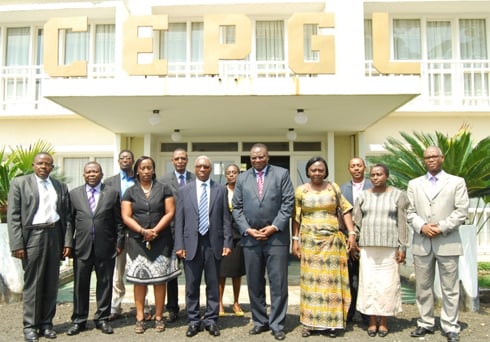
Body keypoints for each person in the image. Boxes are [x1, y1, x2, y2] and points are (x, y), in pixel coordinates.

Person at [7, 152, 72, 342]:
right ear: (34, 165)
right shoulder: (20, 183)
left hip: (54, 235)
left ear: (52, 167)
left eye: (48, 164)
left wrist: (67, 242)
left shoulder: (60, 186)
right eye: (40, 163)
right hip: (32, 236)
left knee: (51, 282)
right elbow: (14, 216)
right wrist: (18, 244)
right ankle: (30, 326)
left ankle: (46, 324)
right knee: (33, 283)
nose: (44, 167)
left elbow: (66, 217)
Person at [232, 143, 294, 341]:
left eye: (261, 157)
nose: (257, 160)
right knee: (254, 282)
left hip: (276, 237)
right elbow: (237, 208)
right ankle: (260, 321)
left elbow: (288, 203)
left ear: (268, 157)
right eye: (253, 157)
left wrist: (274, 227)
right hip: (251, 238)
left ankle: (277, 324)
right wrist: (247, 229)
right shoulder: (242, 178)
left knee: (278, 282)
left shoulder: (282, 174)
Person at [407, 146, 469, 342]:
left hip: (447, 241)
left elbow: (461, 211)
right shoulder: (414, 184)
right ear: (424, 160)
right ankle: (425, 323)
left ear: (442, 158)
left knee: (449, 287)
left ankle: (451, 326)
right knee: (422, 287)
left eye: (434, 156)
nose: (431, 159)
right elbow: (410, 212)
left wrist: (440, 227)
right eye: (427, 157)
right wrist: (422, 226)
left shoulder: (456, 182)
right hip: (422, 242)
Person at [291, 156, 356, 338]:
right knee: (311, 283)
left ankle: (332, 324)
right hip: (310, 243)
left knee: (331, 283)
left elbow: (345, 210)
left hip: (332, 243)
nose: (317, 173)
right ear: (308, 172)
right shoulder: (301, 191)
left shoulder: (333, 188)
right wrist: (295, 240)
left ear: (325, 171)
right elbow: (296, 217)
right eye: (313, 170)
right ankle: (309, 323)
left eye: (320, 170)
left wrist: (351, 233)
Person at [174, 156, 233, 337]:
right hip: (191, 244)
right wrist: (179, 244)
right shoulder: (184, 190)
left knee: (213, 284)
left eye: (206, 167)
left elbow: (226, 219)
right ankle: (193, 320)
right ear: (195, 168)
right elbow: (179, 220)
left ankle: (211, 320)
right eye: (199, 166)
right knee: (192, 285)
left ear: (210, 169)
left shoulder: (220, 190)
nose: (202, 169)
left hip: (213, 243)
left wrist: (227, 242)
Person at [121, 156, 179, 334]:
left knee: (159, 281)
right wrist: (142, 231)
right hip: (137, 243)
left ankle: (159, 316)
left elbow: (170, 212)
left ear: (153, 170)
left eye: (149, 168)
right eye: (142, 168)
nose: (146, 171)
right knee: (140, 282)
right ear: (137, 170)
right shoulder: (130, 191)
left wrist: (155, 231)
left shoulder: (164, 189)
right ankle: (139, 317)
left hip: (161, 241)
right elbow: (126, 216)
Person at [67, 162, 125, 336]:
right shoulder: (74, 194)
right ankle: (79, 320)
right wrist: (68, 244)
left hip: (106, 247)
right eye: (88, 172)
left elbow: (119, 223)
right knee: (80, 286)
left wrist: (119, 243)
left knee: (105, 284)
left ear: (101, 174)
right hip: (81, 247)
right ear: (84, 175)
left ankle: (102, 319)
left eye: (95, 171)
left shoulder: (112, 193)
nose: (92, 174)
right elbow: (69, 221)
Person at [352, 163, 409, 338]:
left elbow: (402, 223)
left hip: (389, 248)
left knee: (387, 286)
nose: (375, 177)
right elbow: (357, 222)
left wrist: (403, 246)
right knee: (369, 285)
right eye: (373, 175)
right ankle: (371, 321)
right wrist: (354, 242)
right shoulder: (362, 196)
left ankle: (383, 322)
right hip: (368, 248)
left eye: (379, 174)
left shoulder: (398, 195)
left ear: (387, 176)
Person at [158, 147, 195, 322]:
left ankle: (191, 307)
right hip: (170, 234)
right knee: (171, 273)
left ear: (187, 160)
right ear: (172, 161)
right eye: (177, 158)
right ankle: (172, 308)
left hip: (191, 234)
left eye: (183, 158)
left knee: (191, 273)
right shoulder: (163, 181)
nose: (180, 161)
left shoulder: (195, 179)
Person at [340, 157, 372, 324]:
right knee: (351, 277)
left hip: (370, 238)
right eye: (353, 166)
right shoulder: (342, 188)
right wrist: (349, 236)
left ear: (364, 168)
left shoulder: (373, 187)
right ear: (349, 169)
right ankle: (350, 312)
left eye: (359, 165)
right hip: (349, 238)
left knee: (367, 277)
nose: (356, 168)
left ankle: (367, 313)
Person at [104, 149, 135, 321]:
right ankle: (115, 307)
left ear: (132, 161)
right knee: (117, 272)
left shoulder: (140, 180)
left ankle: (143, 306)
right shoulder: (109, 183)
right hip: (117, 233)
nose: (125, 161)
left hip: (137, 232)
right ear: (118, 161)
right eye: (122, 158)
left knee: (140, 269)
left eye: (128, 158)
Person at [218, 163, 246, 316]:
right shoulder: (220, 191)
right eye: (228, 172)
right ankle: (220, 303)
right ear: (225, 175)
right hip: (223, 236)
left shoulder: (244, 191)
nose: (231, 175)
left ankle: (236, 303)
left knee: (237, 272)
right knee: (221, 272)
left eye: (234, 172)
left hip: (239, 237)